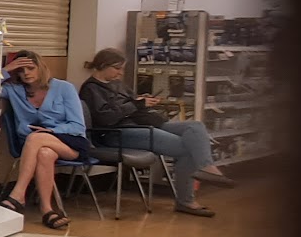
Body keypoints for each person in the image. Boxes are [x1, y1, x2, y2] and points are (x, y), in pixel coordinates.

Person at [79, 47, 237, 217]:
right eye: (117, 68)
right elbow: (106, 118)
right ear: (103, 65)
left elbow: (130, 104)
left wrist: (143, 101)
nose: (121, 73)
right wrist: (138, 104)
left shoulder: (117, 84)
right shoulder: (91, 89)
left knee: (195, 126)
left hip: (138, 124)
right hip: (115, 133)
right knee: (187, 148)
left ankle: (207, 167)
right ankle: (187, 200)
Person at [0, 50, 93, 230]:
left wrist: (51, 131)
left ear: (40, 67)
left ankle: (18, 194)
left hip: (68, 142)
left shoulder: (64, 88)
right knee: (45, 153)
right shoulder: (13, 90)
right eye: (20, 70)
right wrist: (5, 70)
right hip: (32, 146)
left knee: (36, 138)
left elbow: (77, 126)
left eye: (30, 68)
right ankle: (47, 210)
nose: (26, 73)